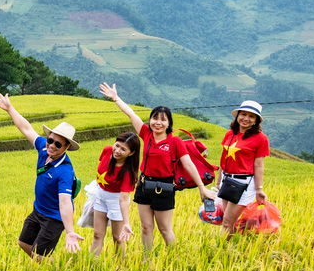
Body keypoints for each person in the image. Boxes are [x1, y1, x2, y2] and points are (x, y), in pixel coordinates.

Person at [98, 82, 216, 251]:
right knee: (146, 228)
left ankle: (173, 258)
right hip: (144, 186)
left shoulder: (174, 141)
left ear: (169, 123)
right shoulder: (146, 134)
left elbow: (188, 164)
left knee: (164, 229)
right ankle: (147, 260)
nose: (158, 122)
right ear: (150, 120)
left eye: (163, 119)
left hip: (165, 188)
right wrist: (116, 98)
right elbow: (131, 114)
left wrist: (201, 188)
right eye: (155, 118)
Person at [0, 92, 84, 260]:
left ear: (66, 147)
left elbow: (65, 202)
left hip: (53, 218)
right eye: (50, 140)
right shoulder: (43, 148)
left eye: (58, 144)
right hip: (38, 210)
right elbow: (26, 128)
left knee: (39, 254)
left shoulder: (65, 171)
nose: (52, 146)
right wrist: (9, 109)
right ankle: (41, 266)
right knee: (23, 243)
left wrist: (70, 231)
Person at [218, 100, 270, 238]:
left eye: (251, 116)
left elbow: (259, 165)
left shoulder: (261, 139)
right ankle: (236, 248)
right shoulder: (230, 134)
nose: (246, 118)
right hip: (226, 180)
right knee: (230, 222)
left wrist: (259, 189)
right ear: (237, 116)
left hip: (243, 184)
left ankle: (223, 251)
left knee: (227, 222)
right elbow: (223, 159)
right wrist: (218, 182)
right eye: (243, 114)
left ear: (256, 121)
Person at [90, 132, 141, 256]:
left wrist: (126, 223)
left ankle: (120, 268)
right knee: (97, 234)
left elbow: (123, 200)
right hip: (101, 195)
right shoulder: (107, 150)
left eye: (123, 149)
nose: (117, 150)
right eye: (117, 145)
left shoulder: (128, 173)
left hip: (116, 200)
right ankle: (92, 265)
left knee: (118, 238)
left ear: (131, 153)